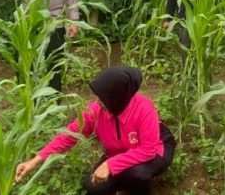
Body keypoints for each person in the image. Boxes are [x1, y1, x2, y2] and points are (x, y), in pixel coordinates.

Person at [14, 66, 176, 195]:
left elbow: (148, 150)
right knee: (93, 188)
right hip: (119, 152)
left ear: (118, 98)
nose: (97, 102)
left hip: (155, 148)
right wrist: (35, 161)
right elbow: (68, 136)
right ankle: (126, 182)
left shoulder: (144, 108)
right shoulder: (95, 111)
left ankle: (137, 189)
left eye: (103, 98)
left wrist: (110, 165)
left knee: (137, 173)